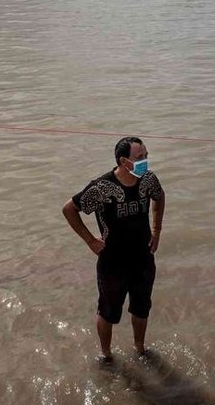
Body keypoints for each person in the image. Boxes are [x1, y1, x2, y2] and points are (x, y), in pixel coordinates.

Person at [62, 136, 166, 362]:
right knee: (108, 311)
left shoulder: (147, 179)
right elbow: (69, 209)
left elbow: (159, 196)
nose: (145, 161)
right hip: (113, 261)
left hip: (143, 257)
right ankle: (106, 354)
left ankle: (140, 349)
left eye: (146, 156)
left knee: (141, 307)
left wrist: (157, 230)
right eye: (139, 158)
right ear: (123, 161)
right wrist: (90, 240)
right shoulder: (102, 187)